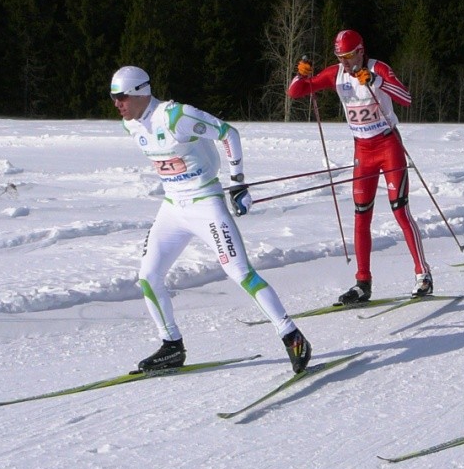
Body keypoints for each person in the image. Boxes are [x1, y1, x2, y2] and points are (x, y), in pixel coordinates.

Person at [110, 65, 311, 373]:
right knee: (148, 277)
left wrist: (238, 182)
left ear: (140, 92)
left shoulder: (175, 116)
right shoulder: (132, 126)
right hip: (173, 208)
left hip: (206, 203)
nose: (117, 104)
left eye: (121, 97)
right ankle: (171, 346)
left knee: (239, 272)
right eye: (113, 98)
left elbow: (228, 133)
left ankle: (291, 335)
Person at [287, 29, 431, 304]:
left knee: (400, 211)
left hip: (388, 146)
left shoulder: (379, 68)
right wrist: (301, 75)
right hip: (362, 151)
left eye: (349, 56)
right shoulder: (335, 74)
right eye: (340, 57)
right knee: (361, 215)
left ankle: (423, 273)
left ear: (361, 52)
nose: (345, 62)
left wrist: (377, 82)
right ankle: (362, 282)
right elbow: (296, 92)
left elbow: (406, 98)